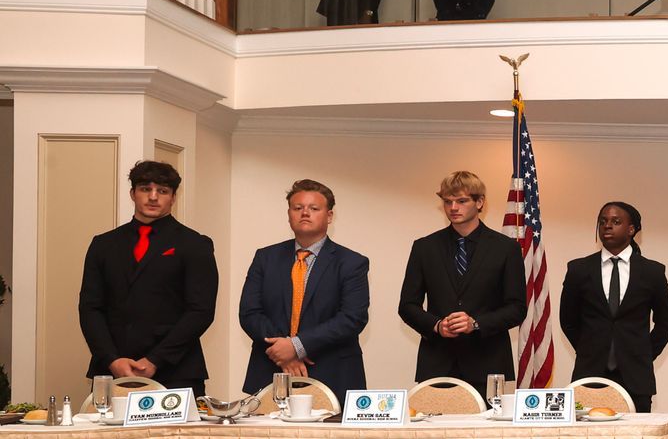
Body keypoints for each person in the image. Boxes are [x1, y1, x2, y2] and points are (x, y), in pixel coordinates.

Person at [77, 160, 219, 395]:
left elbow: (201, 311)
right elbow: (90, 308)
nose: (153, 197)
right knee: (106, 434)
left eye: (162, 191)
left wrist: (155, 360)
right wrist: (112, 359)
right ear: (133, 194)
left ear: (173, 197)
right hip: (112, 370)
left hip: (176, 371)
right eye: (145, 189)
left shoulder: (195, 244)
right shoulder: (103, 244)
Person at [238, 179, 370, 395]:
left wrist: (297, 346)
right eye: (297, 208)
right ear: (289, 214)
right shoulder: (265, 257)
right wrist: (282, 351)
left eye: (314, 208)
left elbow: (352, 318)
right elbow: (249, 313)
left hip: (332, 373)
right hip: (271, 370)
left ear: (329, 216)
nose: (305, 213)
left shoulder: (352, 262)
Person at [398, 170, 527, 387]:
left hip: (489, 364)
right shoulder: (424, 247)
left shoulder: (506, 249)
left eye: (462, 201)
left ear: (479, 202)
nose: (453, 208)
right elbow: (407, 306)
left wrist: (475, 324)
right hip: (437, 363)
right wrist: (437, 325)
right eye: (447, 202)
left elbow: (516, 308)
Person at [559, 201, 668, 412]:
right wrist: (589, 348)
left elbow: (667, 322)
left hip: (636, 378)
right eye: (603, 221)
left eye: (616, 221)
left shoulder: (652, 272)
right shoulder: (578, 269)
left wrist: (644, 353)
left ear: (631, 230)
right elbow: (568, 320)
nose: (607, 226)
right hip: (589, 375)